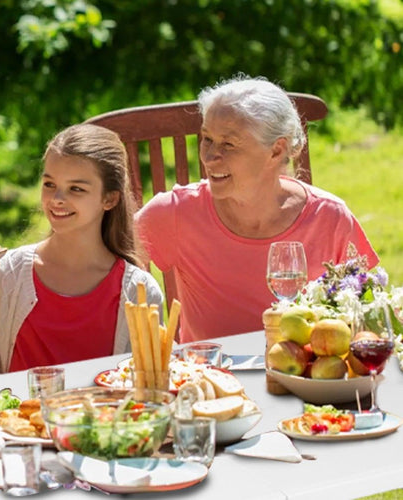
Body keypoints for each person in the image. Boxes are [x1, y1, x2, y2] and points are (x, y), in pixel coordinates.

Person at [135, 75, 378, 343]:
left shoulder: (329, 219)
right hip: (210, 378)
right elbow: (103, 259)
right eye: (206, 139)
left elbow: (370, 315)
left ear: (276, 150)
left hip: (303, 378)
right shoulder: (177, 214)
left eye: (228, 144)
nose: (209, 156)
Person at [0, 124, 164, 373]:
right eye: (49, 184)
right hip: (15, 413)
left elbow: (148, 385)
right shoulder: (4, 274)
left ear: (109, 199)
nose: (57, 199)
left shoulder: (139, 292)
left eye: (76, 188)